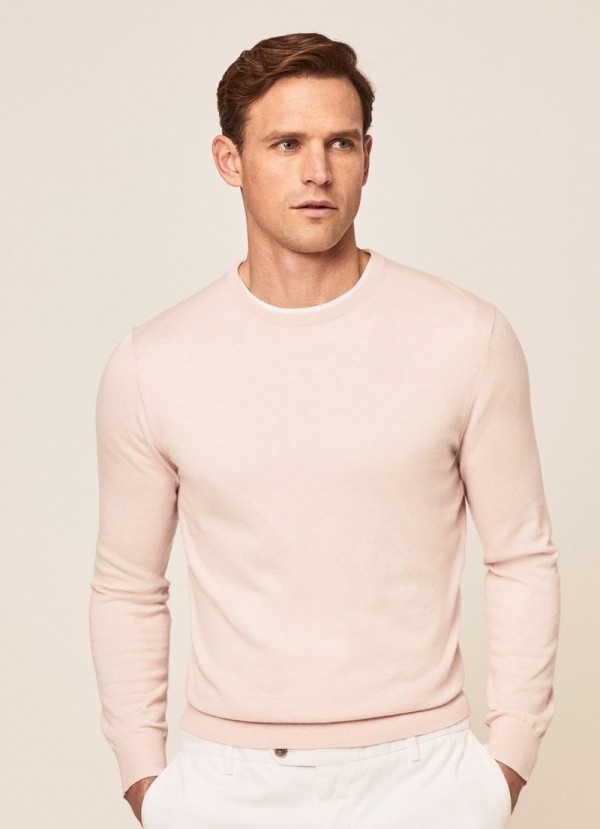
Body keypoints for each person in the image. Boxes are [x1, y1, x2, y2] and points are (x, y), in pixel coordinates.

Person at [89, 32, 561, 828]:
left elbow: (522, 553)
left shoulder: (464, 336)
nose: (317, 171)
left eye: (341, 143)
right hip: (227, 783)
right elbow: (127, 585)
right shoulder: (153, 361)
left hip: (427, 777)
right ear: (230, 160)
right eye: (286, 144)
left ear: (367, 157)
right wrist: (147, 779)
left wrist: (505, 762)